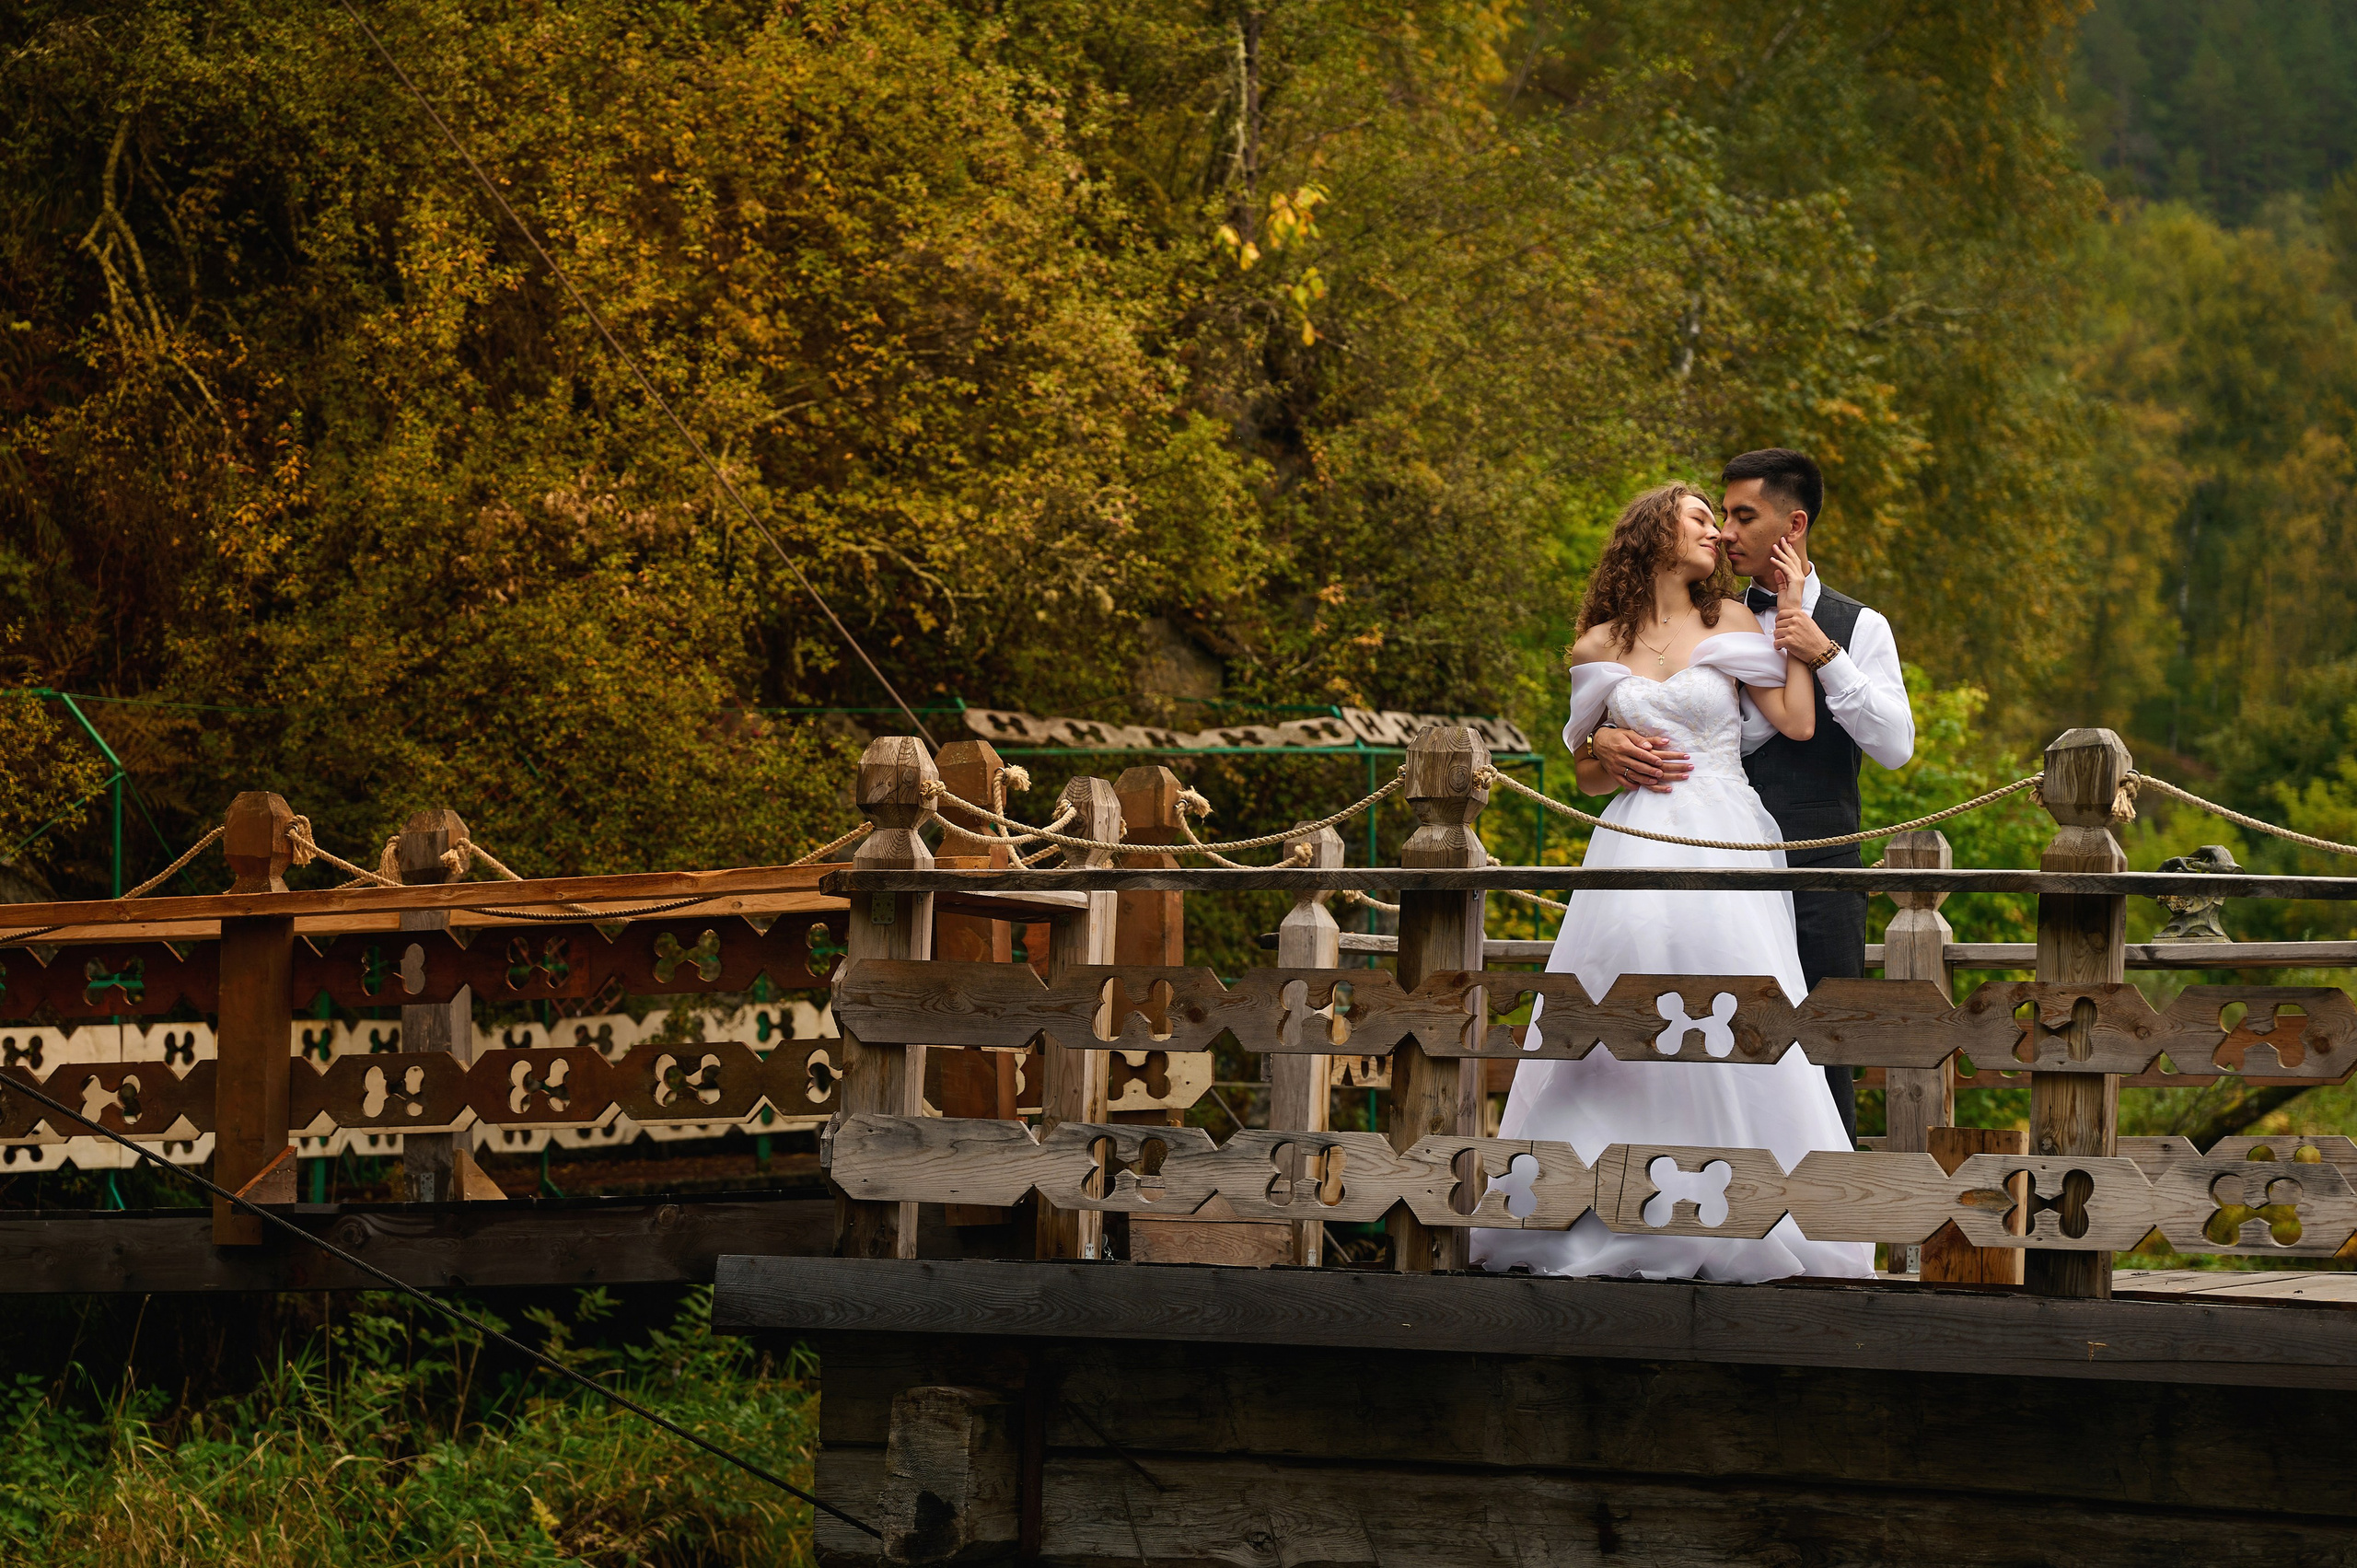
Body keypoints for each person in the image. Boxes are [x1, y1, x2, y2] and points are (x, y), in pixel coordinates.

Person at [1472, 482, 1873, 1282]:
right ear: (1652, 533)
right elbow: (1586, 771)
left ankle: (1749, 1208)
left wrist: (1794, 618)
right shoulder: (1596, 645)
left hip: (1723, 833)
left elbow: (1795, 720)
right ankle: (1591, 1207)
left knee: (1732, 1008)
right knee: (1609, 1012)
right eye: (1699, 518)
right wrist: (1608, 752)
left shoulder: (1728, 621)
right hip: (1631, 846)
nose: (1716, 535)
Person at [1587, 449, 1915, 1143]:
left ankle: (1820, 1228)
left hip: (1816, 866)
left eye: (1742, 516)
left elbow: (1895, 746)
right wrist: (1601, 746)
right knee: (1679, 1024)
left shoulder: (1861, 626)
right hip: (1693, 856)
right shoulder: (1716, 616)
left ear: (1791, 526)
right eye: (1719, 516)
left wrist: (1823, 651)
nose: (1726, 532)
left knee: (1818, 1051)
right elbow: (1648, 703)